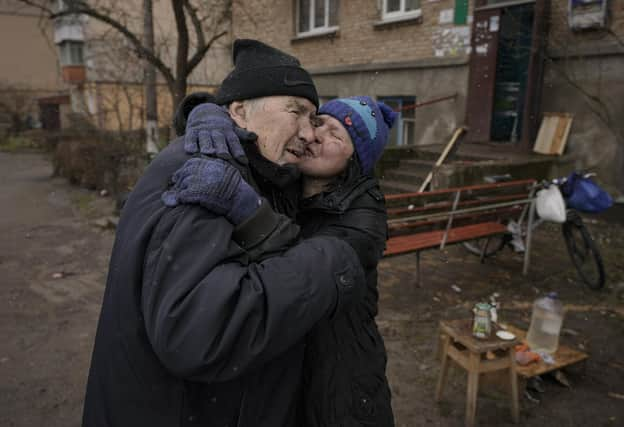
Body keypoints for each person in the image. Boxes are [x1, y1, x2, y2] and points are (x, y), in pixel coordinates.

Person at [82, 39, 371, 427]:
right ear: (237, 112)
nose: (308, 133)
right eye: (296, 112)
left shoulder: (260, 167)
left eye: (314, 119)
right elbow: (200, 331)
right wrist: (331, 260)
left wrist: (199, 109)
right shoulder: (206, 170)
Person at [165, 96, 398, 426]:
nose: (315, 135)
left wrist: (248, 210)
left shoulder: (364, 220)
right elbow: (248, 110)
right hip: (285, 374)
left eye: (336, 136)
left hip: (341, 386)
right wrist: (207, 115)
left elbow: (301, 269)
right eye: (319, 123)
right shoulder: (286, 180)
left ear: (354, 162)